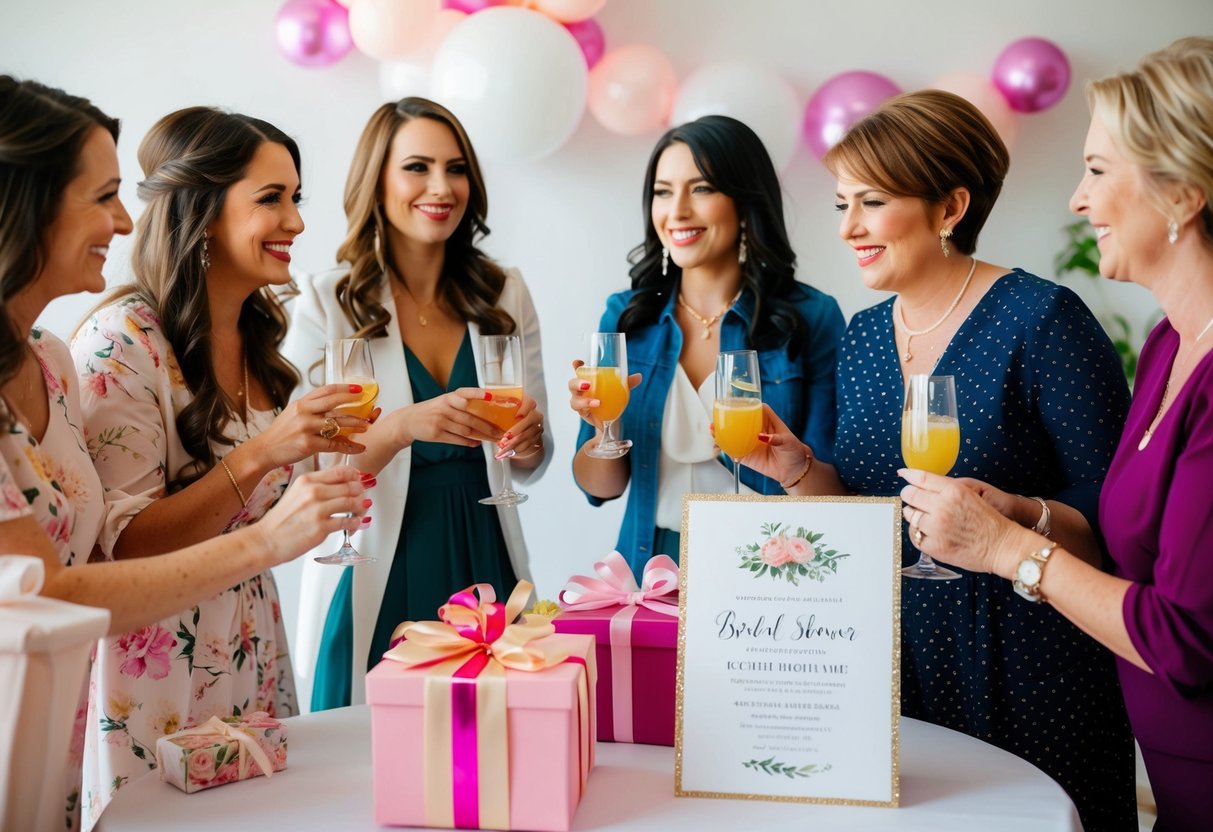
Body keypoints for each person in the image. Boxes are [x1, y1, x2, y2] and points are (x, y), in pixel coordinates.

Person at [738, 90, 1137, 829]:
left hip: (1028, 664)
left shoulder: (1042, 320)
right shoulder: (859, 337)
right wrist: (797, 469)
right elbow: (866, 515)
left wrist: (1015, 520)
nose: (848, 227)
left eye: (872, 201)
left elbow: (1117, 524)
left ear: (950, 207)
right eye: (840, 204)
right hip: (894, 659)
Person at [0, 75, 369, 831]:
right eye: (102, 194)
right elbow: (72, 577)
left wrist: (411, 427)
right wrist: (267, 502)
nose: (126, 218)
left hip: (216, 662)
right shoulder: (113, 344)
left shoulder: (50, 365)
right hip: (136, 680)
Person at [900, 39, 1213, 829]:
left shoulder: (1051, 322)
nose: (1076, 199)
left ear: (1180, 194)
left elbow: (1184, 641)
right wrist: (1021, 511)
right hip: (1173, 777)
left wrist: (1006, 552)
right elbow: (1118, 533)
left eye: (1098, 170)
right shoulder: (1169, 344)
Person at [284, 97, 551, 710]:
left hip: (486, 551)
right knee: (369, 753)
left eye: (456, 169)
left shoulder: (504, 290)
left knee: (493, 744)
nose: (441, 186)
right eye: (417, 167)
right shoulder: (328, 301)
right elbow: (308, 470)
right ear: (376, 180)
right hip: (375, 555)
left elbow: (531, 460)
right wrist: (403, 426)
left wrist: (530, 439)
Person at [569, 115, 845, 578]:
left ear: (744, 202)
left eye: (701, 189)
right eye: (662, 191)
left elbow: (838, 492)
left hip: (769, 568)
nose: (676, 211)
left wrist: (788, 466)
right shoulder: (625, 317)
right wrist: (603, 432)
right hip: (647, 567)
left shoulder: (811, 318)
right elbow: (600, 488)